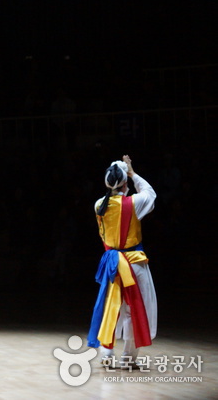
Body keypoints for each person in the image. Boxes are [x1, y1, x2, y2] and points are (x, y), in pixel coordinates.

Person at [87, 155, 157, 368]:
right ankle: (128, 358)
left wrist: (125, 178)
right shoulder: (134, 203)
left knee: (112, 307)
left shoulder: (99, 205)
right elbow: (150, 194)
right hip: (133, 262)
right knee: (133, 309)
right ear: (125, 183)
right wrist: (133, 172)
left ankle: (106, 355)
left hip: (112, 263)